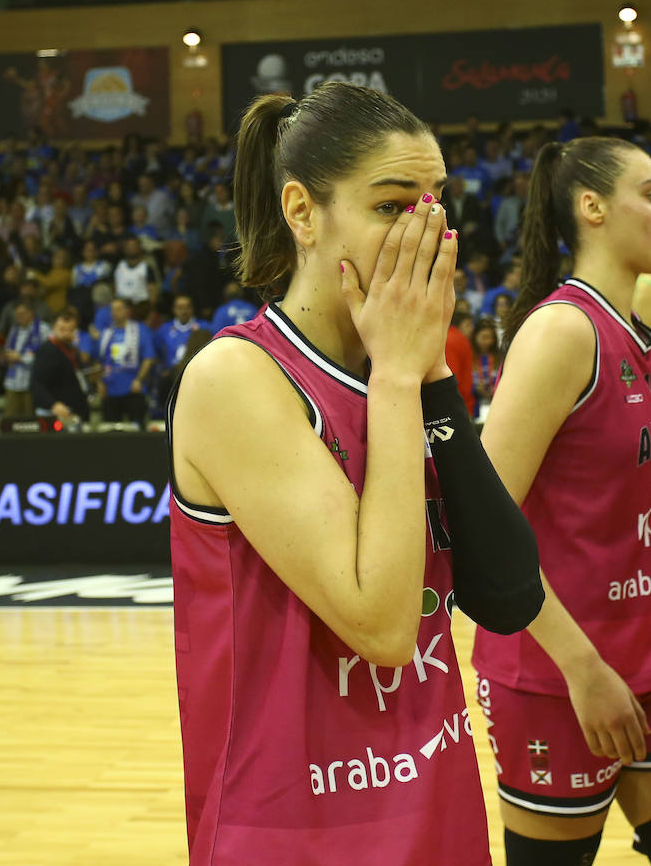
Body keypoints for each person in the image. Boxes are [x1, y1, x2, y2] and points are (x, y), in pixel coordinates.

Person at [167, 84, 542, 866]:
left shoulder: (402, 366)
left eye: (436, 203)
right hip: (296, 828)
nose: (428, 230)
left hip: (435, 802)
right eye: (392, 206)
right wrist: (405, 380)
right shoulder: (235, 379)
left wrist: (430, 378)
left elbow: (509, 598)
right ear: (303, 213)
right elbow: (380, 626)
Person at [472, 136, 651, 866]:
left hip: (644, 663)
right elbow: (484, 529)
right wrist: (583, 669)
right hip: (558, 676)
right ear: (592, 206)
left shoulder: (635, 335)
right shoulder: (561, 331)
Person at [96, 298, 154, 427]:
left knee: (137, 428)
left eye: (118, 309)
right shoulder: (106, 334)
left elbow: (148, 358)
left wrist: (139, 379)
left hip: (133, 388)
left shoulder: (140, 330)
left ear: (127, 311)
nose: (114, 313)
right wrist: (99, 383)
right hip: (110, 389)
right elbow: (99, 361)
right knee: (110, 430)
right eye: (112, 310)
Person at [32, 309, 91, 425]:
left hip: (75, 409)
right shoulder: (48, 350)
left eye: (71, 329)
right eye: (62, 329)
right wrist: (53, 404)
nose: (66, 333)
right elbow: (36, 383)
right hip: (58, 412)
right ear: (54, 328)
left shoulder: (71, 349)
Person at [2, 301, 46, 419]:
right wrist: (8, 356)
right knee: (11, 417)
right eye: (17, 314)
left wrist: (20, 358)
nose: (18, 317)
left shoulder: (43, 329)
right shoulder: (14, 330)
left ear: (31, 313)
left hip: (32, 381)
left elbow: (45, 354)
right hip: (13, 380)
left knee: (30, 418)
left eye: (22, 314)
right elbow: (8, 349)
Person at [445, 308, 476, 415]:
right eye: (468, 325)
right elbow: (453, 376)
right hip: (459, 404)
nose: (472, 329)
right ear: (457, 325)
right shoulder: (457, 340)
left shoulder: (448, 338)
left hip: (457, 402)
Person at [469, 316, 501, 412]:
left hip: (495, 405)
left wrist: (496, 388)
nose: (487, 342)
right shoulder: (468, 356)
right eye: (484, 337)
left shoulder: (499, 357)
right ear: (475, 336)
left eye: (490, 338)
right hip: (473, 406)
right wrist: (474, 388)